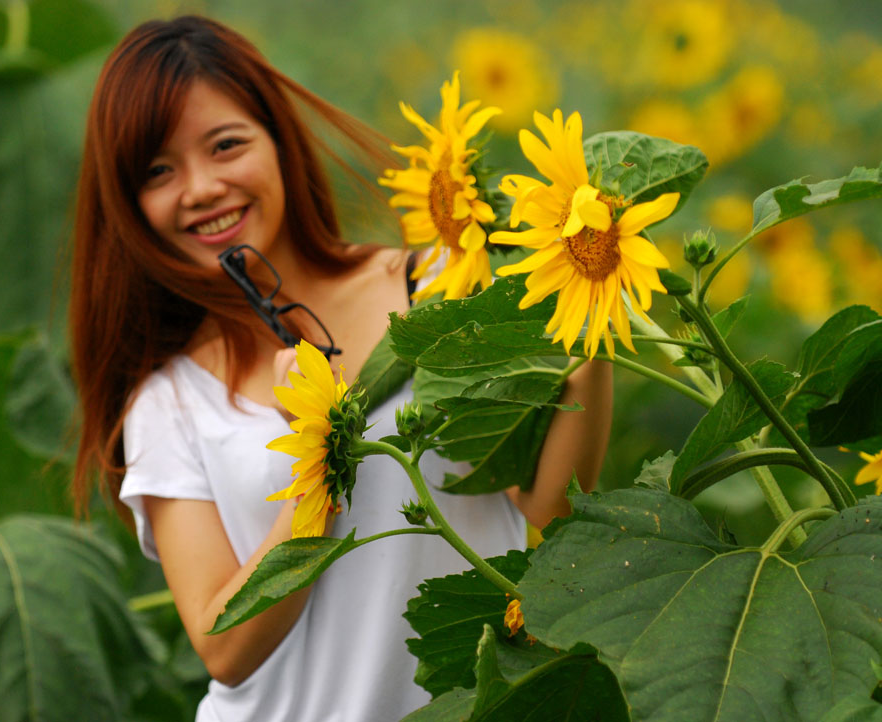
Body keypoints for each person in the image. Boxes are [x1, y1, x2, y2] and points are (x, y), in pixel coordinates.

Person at [69, 15, 613, 722]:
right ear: (130, 206)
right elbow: (223, 647)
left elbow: (543, 518)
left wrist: (591, 336)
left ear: (278, 141)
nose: (201, 188)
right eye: (158, 172)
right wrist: (317, 465)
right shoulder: (170, 403)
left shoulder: (436, 286)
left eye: (226, 145)